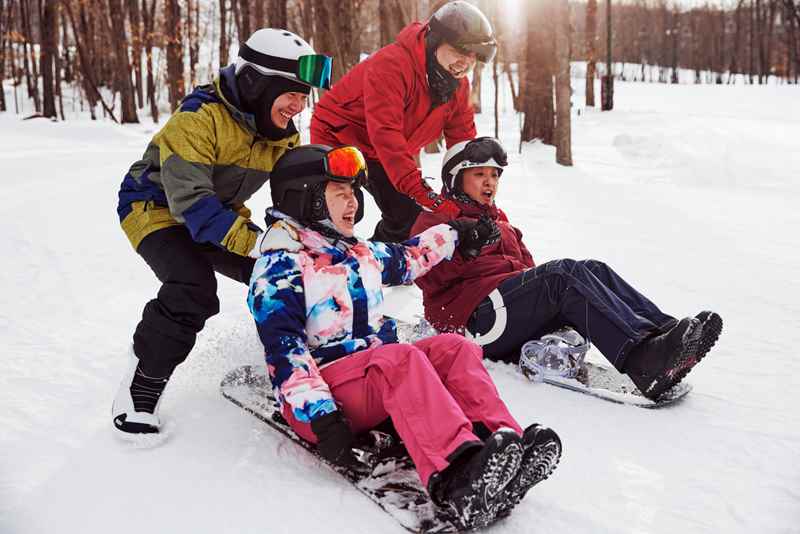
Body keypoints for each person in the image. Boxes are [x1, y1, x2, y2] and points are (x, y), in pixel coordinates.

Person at [247, 144, 562, 529]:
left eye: (354, 193)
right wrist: (321, 416)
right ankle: (455, 477)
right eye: (339, 193)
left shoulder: (355, 252)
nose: (353, 203)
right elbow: (284, 350)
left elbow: (411, 257)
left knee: (454, 347)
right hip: (324, 399)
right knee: (401, 358)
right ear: (306, 199)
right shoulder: (280, 267)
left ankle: (501, 444)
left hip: (373, 377)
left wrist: (456, 233)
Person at [111, 29, 333, 436]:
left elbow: (293, 198)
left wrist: (311, 239)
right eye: (293, 94)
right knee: (192, 286)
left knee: (282, 271)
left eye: (305, 97)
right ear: (256, 83)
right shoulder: (198, 118)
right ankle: (141, 385)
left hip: (219, 211)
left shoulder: (282, 134)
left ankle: (308, 360)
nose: (299, 107)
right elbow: (191, 205)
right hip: (156, 208)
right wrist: (255, 240)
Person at [410, 137, 724, 401]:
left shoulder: (498, 220)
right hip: (472, 322)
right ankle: (644, 362)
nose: (490, 181)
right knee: (562, 275)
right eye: (479, 174)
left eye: (494, 174)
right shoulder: (437, 219)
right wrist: (465, 247)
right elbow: (423, 273)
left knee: (592, 269)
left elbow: (526, 270)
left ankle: (668, 338)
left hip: (505, 309)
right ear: (455, 179)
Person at [310, 1, 496, 242]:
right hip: (340, 138)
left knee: (408, 219)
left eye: (473, 57)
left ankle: (375, 263)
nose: (466, 63)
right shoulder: (392, 65)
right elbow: (386, 134)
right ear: (435, 42)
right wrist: (423, 193)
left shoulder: (458, 85)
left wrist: (475, 198)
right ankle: (316, 262)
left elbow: (463, 144)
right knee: (339, 211)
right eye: (460, 52)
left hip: (386, 152)